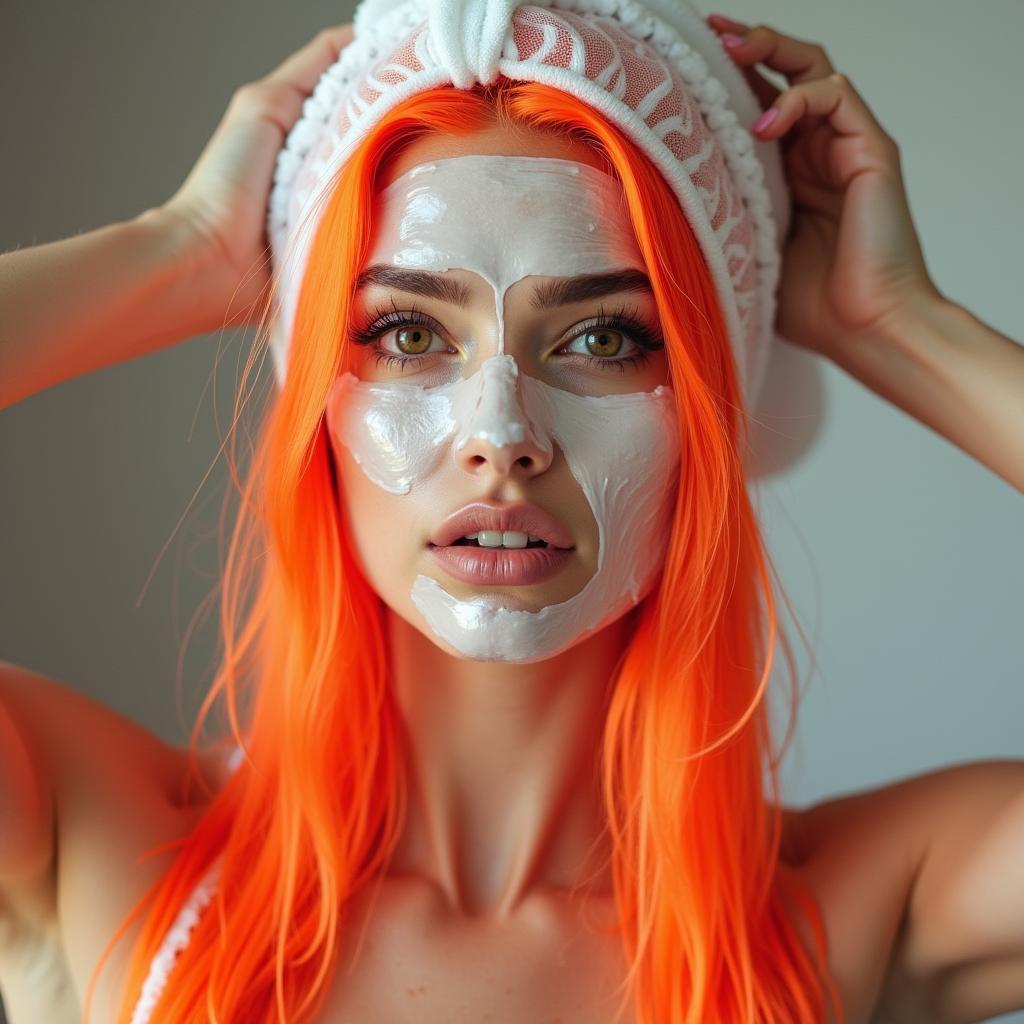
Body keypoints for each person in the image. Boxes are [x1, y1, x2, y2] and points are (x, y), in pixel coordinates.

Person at [0, 3, 1022, 1023]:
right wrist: (171, 252)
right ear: (312, 390)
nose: (501, 432)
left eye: (605, 340)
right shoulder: (94, 840)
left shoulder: (849, 911)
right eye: (406, 333)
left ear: (708, 417)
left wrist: (897, 325)